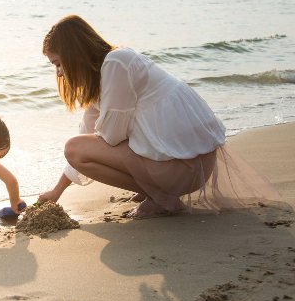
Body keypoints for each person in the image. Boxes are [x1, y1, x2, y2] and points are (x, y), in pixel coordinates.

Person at [38, 14, 282, 218]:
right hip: (186, 165)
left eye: (59, 63)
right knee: (79, 146)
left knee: (76, 146)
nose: (59, 73)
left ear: (74, 54)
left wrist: (99, 134)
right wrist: (56, 191)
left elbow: (109, 137)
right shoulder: (106, 73)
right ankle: (156, 191)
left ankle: (162, 197)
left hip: (183, 168)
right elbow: (87, 137)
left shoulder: (116, 63)